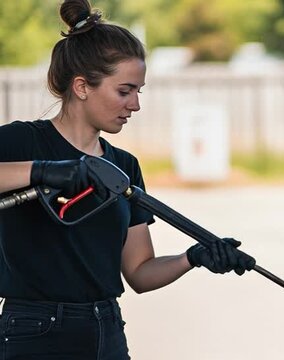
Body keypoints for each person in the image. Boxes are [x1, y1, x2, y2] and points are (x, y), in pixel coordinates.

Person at [0, 0, 255, 359]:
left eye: (139, 91)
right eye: (125, 91)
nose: (135, 105)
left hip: (106, 330)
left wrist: (193, 257)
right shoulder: (21, 141)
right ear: (82, 87)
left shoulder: (124, 167)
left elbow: (139, 272)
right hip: (34, 331)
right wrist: (42, 170)